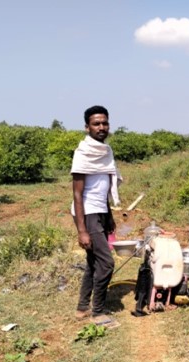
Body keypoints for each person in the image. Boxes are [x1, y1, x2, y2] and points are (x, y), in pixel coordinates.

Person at [71, 105, 121, 320]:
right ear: (87, 127)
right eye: (96, 124)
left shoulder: (105, 151)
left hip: (100, 210)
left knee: (93, 262)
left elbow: (104, 188)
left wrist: (109, 216)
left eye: (104, 123)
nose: (101, 127)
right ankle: (98, 312)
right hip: (87, 213)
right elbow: (77, 194)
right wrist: (82, 231)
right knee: (107, 262)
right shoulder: (83, 153)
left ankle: (82, 308)